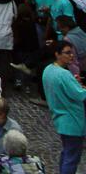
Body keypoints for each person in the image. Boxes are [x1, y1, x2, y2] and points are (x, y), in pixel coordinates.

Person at [42, 40, 86, 174]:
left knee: (67, 152)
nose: (71, 56)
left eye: (71, 53)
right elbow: (80, 95)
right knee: (72, 157)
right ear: (57, 54)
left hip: (60, 118)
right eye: (67, 53)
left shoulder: (48, 70)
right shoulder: (64, 74)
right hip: (72, 120)